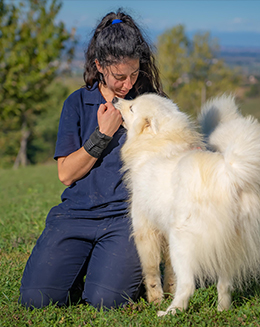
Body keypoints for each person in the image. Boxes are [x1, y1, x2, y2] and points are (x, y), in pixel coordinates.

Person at [19, 9, 165, 310]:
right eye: (120, 77)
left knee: (106, 301)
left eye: (135, 74)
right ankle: (77, 265)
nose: (128, 84)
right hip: (75, 214)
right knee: (35, 300)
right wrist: (102, 135)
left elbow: (174, 146)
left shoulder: (149, 104)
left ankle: (107, 270)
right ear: (99, 66)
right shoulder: (76, 103)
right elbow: (66, 174)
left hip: (126, 218)